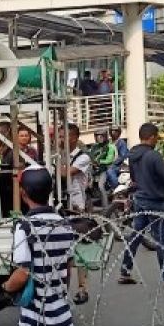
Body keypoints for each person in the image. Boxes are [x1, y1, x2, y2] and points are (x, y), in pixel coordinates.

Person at [4, 167, 75, 326]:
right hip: (61, 314)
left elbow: (23, 273)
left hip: (38, 318)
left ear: (23, 194)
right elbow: (68, 268)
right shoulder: (64, 224)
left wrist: (6, 287)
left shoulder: (25, 227)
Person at [119, 123, 164, 288]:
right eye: (156, 137)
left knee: (136, 235)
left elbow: (134, 177)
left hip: (140, 198)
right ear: (152, 137)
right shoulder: (153, 156)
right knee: (162, 240)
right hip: (155, 201)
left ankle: (125, 270)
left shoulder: (133, 155)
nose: (157, 140)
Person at [62, 122, 92, 305]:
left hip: (77, 208)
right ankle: (63, 290)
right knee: (64, 252)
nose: (59, 139)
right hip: (62, 208)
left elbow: (67, 173)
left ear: (74, 137)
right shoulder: (58, 156)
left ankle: (83, 289)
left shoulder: (83, 158)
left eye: (63, 135)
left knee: (80, 250)